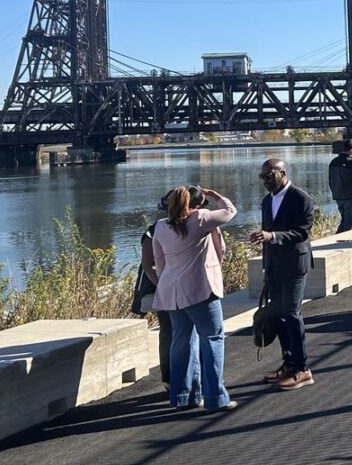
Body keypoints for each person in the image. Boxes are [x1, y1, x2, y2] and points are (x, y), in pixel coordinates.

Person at [151, 185, 239, 412]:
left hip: (172, 293)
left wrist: (168, 282)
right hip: (200, 290)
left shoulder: (160, 227)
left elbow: (159, 263)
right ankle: (216, 397)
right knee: (212, 339)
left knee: (181, 342)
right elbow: (230, 210)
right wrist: (215, 195)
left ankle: (183, 395)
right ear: (196, 205)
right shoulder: (199, 220)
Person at [250, 158, 316, 391]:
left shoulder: (301, 198)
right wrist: (266, 258)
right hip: (275, 266)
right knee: (278, 315)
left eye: (270, 175)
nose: (266, 180)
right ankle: (289, 363)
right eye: (263, 177)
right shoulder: (267, 201)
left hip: (295, 265)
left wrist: (273, 236)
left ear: (283, 173)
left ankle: (302, 368)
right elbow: (268, 231)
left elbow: (302, 232)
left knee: (291, 313)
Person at [130, 214, 171, 388]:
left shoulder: (187, 225)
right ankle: (169, 377)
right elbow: (148, 265)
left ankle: (185, 375)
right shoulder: (153, 231)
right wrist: (163, 288)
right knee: (168, 331)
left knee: (178, 333)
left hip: (181, 288)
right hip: (163, 289)